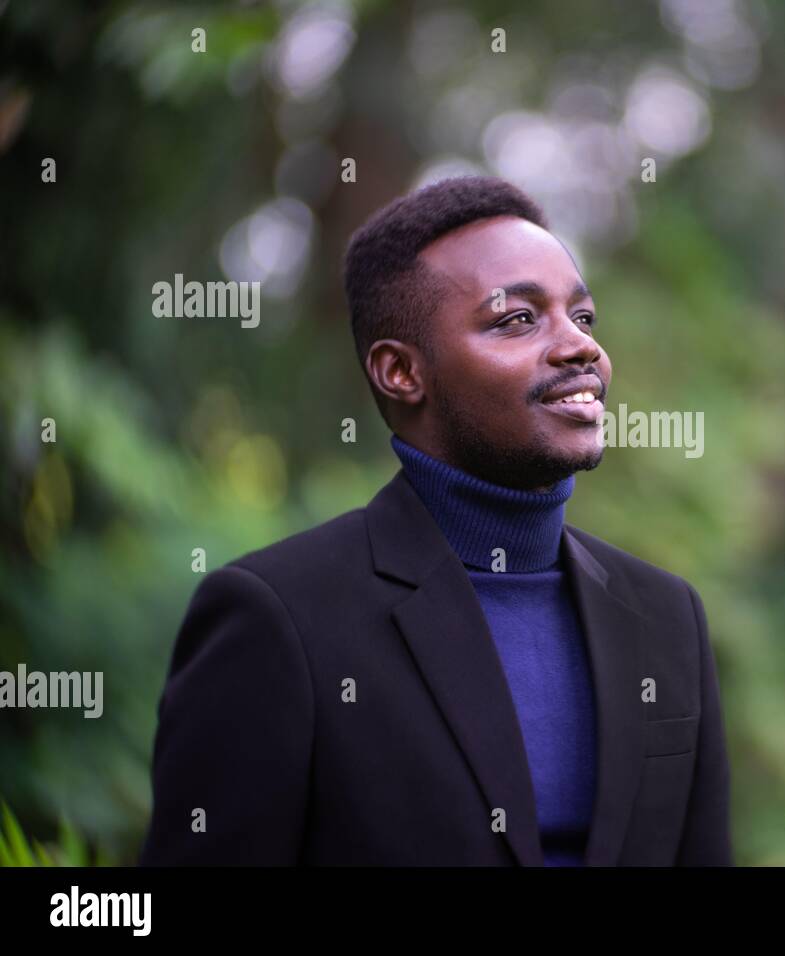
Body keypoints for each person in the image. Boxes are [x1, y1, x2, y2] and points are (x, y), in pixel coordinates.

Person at [139, 175, 732, 866]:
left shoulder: (666, 618)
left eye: (584, 317)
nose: (582, 349)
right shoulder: (280, 620)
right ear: (400, 372)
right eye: (517, 320)